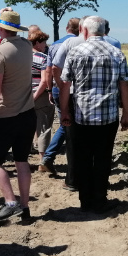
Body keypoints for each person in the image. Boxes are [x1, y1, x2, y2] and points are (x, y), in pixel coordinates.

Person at [59, 16, 128, 213]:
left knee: (82, 158)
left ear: (84, 31)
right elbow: (124, 85)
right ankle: (100, 200)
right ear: (104, 31)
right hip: (108, 116)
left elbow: (65, 85)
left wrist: (64, 111)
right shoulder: (117, 53)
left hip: (82, 116)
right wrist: (126, 113)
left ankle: (85, 201)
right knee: (103, 158)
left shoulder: (75, 52)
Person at [0, 10, 37, 221]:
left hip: (5, 115)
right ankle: (24, 206)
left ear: (2, 28)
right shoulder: (27, 46)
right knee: (21, 161)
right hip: (27, 113)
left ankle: (10, 202)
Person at [50, 17, 88, 190]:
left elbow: (54, 67)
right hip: (93, 99)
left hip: (70, 94)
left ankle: (72, 179)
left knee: (71, 136)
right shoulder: (110, 44)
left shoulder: (66, 43)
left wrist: (60, 86)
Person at [40, 17, 80, 175]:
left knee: (65, 123)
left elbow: (49, 69)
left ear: (66, 28)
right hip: (72, 89)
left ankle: (50, 157)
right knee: (68, 125)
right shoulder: (80, 43)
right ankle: (49, 157)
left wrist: (50, 90)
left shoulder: (55, 45)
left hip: (57, 88)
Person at [29, 29, 55, 169]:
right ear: (38, 43)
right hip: (41, 97)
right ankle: (42, 161)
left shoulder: (22, 57)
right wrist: (36, 96)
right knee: (43, 128)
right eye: (44, 41)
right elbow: (45, 81)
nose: (46, 44)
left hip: (23, 96)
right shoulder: (43, 58)